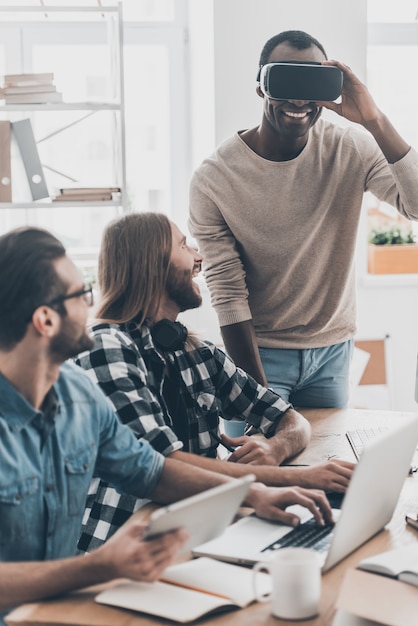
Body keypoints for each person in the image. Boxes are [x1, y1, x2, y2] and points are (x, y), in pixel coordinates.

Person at [0, 226, 334, 623]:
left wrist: (252, 493)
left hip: (60, 606)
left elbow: (152, 471)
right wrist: (99, 566)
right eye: (80, 295)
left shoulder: (77, 396)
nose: (92, 305)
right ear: (45, 320)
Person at [74, 211, 353, 553]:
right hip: (127, 543)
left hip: (205, 528)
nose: (199, 257)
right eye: (184, 245)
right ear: (152, 262)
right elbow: (161, 465)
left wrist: (275, 447)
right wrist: (300, 476)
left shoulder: (196, 351)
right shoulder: (106, 348)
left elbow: (289, 418)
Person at [188, 29, 418, 408]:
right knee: (258, 465)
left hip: (333, 352)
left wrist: (374, 120)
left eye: (310, 81)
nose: (298, 98)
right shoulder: (214, 178)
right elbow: (227, 292)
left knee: (326, 463)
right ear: (261, 87)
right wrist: (262, 401)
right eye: (285, 79)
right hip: (259, 354)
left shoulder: (350, 147)